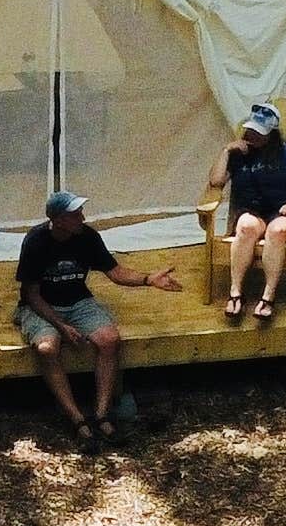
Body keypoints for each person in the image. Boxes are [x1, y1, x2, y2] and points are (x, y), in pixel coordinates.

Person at [14, 188, 182, 442]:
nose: (82, 218)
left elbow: (115, 272)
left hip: (77, 299)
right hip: (42, 305)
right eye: (75, 214)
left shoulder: (88, 236)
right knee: (47, 348)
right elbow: (32, 294)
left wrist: (148, 279)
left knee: (109, 339)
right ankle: (76, 418)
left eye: (81, 212)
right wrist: (60, 326)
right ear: (58, 220)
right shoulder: (36, 241)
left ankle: (102, 414)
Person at [207, 102, 286, 322]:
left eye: (259, 133)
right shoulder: (240, 154)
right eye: (251, 130)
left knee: (276, 231)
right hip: (252, 212)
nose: (253, 136)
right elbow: (216, 181)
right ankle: (236, 293)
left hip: (283, 214)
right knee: (245, 226)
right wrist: (226, 150)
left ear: (272, 134)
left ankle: (268, 297)